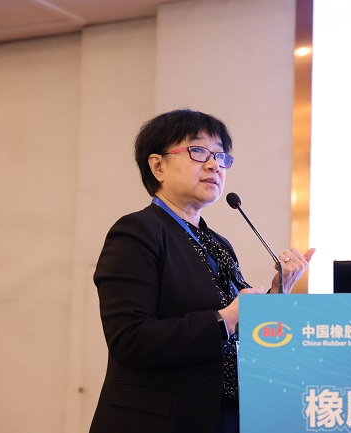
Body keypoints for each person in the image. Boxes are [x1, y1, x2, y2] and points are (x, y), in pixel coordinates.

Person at [89, 109, 316, 433]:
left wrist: (277, 293)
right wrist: (227, 318)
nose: (214, 165)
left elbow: (238, 332)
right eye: (198, 151)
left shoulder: (218, 243)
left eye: (220, 156)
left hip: (225, 417)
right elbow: (131, 339)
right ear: (158, 166)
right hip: (159, 422)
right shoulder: (137, 232)